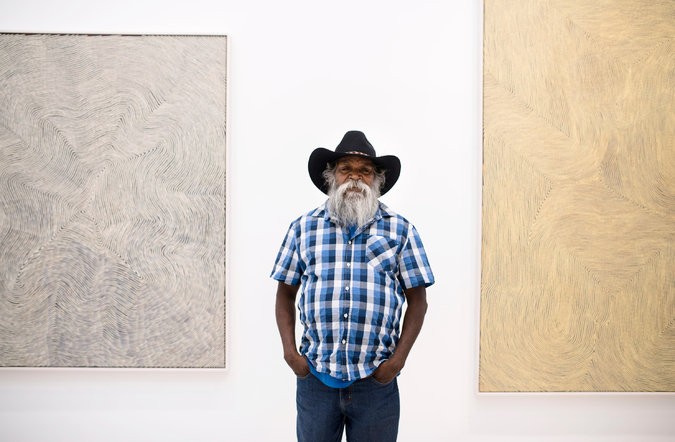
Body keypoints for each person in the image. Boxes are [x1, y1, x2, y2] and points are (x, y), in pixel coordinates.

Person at [271, 130, 434, 442]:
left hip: (376, 380)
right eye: (346, 169)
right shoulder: (303, 228)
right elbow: (285, 293)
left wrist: (396, 362)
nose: (355, 178)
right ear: (332, 176)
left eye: (365, 171)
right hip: (317, 376)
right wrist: (291, 354)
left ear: (376, 181)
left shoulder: (401, 231)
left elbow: (418, 301)